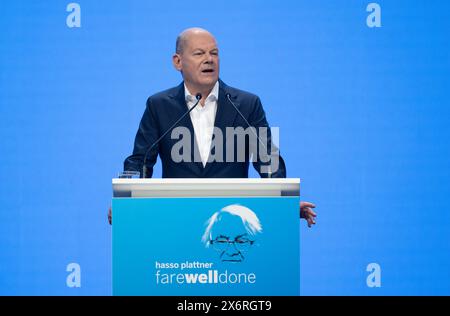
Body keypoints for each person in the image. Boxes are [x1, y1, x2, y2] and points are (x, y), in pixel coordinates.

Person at [109, 27, 316, 226]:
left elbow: (268, 160)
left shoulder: (246, 104)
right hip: (176, 218)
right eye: (199, 53)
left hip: (231, 219)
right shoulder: (159, 105)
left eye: (214, 53)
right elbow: (141, 161)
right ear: (178, 61)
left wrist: (284, 203)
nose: (209, 59)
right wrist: (126, 202)